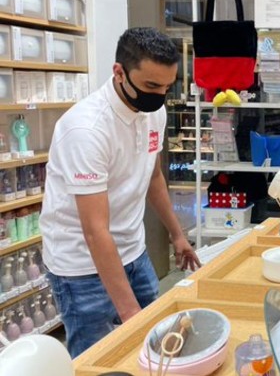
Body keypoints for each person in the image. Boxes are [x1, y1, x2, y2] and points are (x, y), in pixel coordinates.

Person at [40, 27, 201, 357]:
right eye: (151, 86)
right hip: (82, 268)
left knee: (153, 349)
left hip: (134, 253)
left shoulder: (153, 112)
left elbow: (152, 176)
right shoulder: (86, 129)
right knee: (101, 359)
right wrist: (130, 314)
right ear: (119, 72)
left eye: (167, 87)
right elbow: (95, 231)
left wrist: (177, 234)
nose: (159, 95)